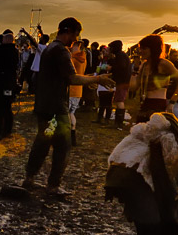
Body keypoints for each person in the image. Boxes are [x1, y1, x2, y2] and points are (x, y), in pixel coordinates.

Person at [21, 17, 114, 197]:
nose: (76, 39)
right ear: (69, 32)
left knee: (42, 143)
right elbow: (73, 78)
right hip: (56, 108)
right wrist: (98, 79)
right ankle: (53, 185)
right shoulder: (61, 51)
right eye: (76, 35)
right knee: (62, 146)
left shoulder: (49, 48)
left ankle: (29, 178)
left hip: (44, 105)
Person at [133, 34, 178, 123]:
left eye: (144, 48)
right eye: (140, 48)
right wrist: (135, 68)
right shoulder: (144, 65)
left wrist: (172, 102)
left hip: (158, 105)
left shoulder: (163, 64)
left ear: (153, 49)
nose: (141, 51)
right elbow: (134, 87)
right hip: (144, 105)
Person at [0, 30, 19, 139]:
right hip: (9, 83)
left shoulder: (1, 49)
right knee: (7, 107)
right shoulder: (15, 51)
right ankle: (7, 130)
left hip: (0, 82)